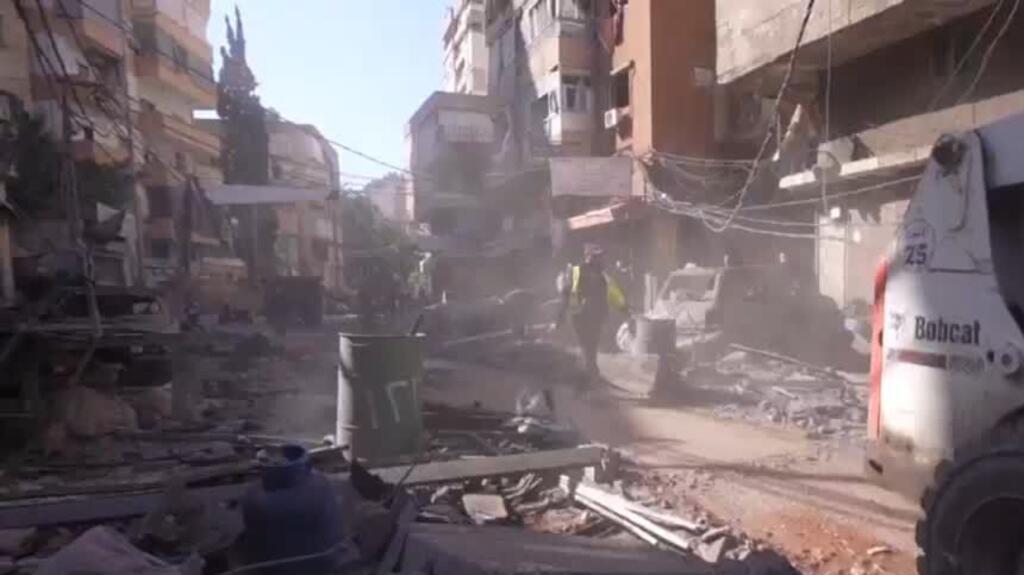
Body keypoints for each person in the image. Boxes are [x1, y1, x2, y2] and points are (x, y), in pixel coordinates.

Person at [557, 245, 629, 382]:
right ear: (587, 256)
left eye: (600, 256)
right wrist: (561, 316)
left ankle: (591, 372)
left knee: (592, 346)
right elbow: (568, 293)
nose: (600, 259)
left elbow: (610, 294)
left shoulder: (601, 274)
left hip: (595, 316)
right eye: (596, 256)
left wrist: (623, 310)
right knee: (587, 346)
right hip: (580, 316)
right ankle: (590, 373)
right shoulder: (578, 271)